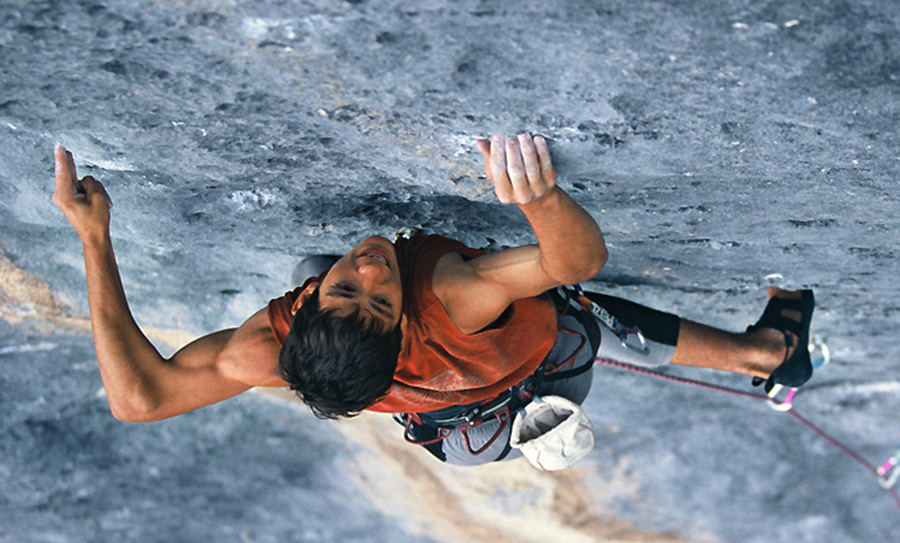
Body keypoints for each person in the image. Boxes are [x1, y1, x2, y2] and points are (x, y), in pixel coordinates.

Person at [52, 133, 815, 466]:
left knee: (309, 256)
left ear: (305, 314)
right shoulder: (455, 297)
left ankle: (766, 356)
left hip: (452, 423)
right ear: (403, 325)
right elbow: (577, 258)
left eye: (345, 286)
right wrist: (541, 199)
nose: (373, 269)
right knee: (584, 322)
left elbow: (138, 398)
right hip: (523, 370)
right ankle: (773, 352)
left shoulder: (271, 351)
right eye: (381, 301)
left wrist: (93, 236)